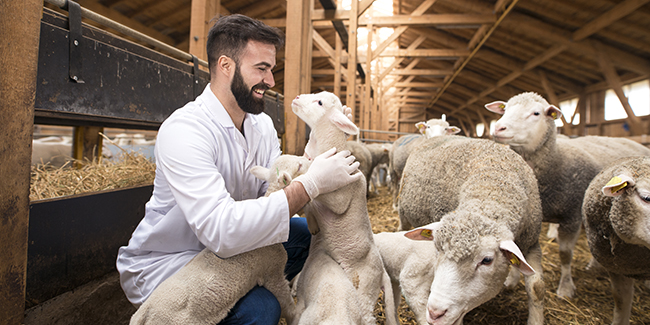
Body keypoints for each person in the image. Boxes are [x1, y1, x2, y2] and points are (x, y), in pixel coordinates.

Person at [116, 14, 362, 324]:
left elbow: (273, 191)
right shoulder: (185, 130)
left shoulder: (260, 125)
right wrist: (310, 185)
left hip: (236, 251)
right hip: (176, 261)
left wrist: (323, 140)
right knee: (262, 310)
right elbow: (221, 231)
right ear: (225, 66)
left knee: (305, 234)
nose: (271, 81)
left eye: (271, 69)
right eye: (261, 69)